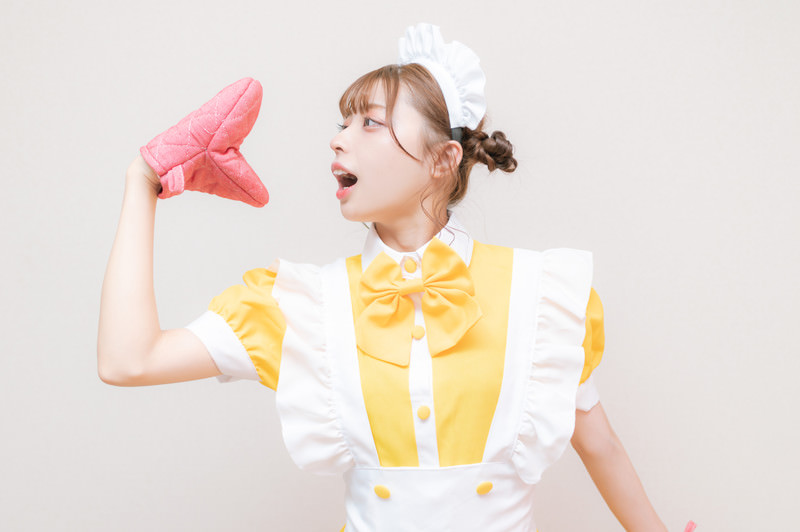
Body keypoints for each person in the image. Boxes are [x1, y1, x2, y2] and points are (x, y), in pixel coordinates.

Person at [98, 23, 668, 532]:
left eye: (370, 123)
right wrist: (141, 179)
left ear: (443, 160)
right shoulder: (305, 305)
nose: (339, 138)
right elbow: (128, 360)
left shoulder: (538, 294)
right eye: (343, 122)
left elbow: (601, 446)